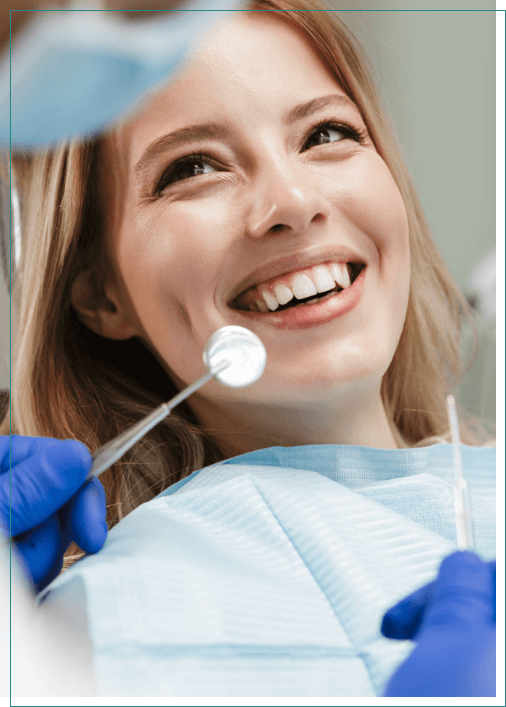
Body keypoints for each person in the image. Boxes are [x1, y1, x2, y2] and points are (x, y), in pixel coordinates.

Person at [0, 0, 495, 697]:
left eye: (326, 132)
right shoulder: (72, 634)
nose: (292, 201)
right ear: (101, 296)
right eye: (194, 167)